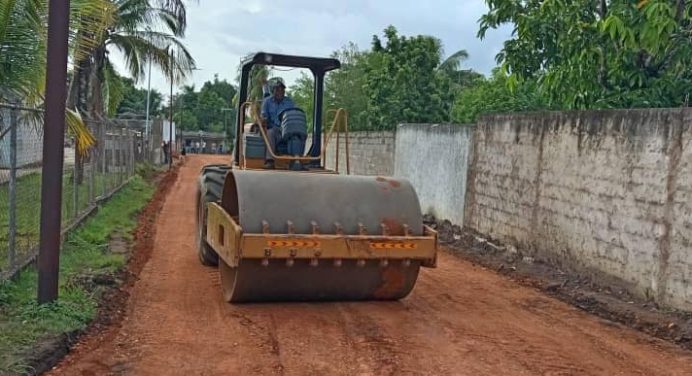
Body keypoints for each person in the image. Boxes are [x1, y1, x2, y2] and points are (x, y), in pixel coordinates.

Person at [260, 79, 295, 169]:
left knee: (298, 133)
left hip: (287, 129)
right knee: (270, 133)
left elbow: (294, 114)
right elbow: (264, 115)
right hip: (274, 129)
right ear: (273, 91)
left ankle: (296, 160)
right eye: (277, 89)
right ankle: (270, 161)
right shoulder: (267, 102)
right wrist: (264, 119)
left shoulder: (289, 102)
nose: (280, 92)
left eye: (282, 90)